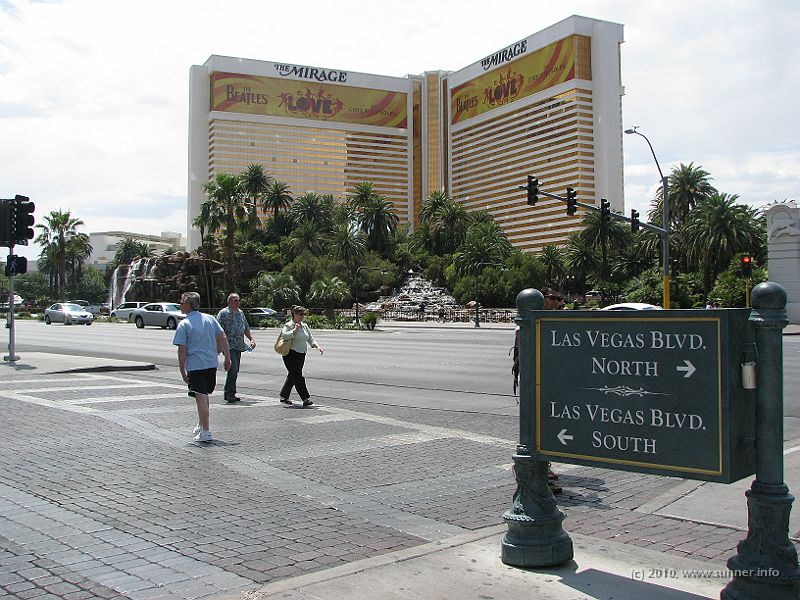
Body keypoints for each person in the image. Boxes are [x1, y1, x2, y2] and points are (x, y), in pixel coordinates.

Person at [173, 292, 231, 442]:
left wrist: (182, 370)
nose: (180, 304)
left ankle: (206, 431)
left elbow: (181, 351)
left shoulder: (184, 324)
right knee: (203, 396)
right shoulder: (210, 319)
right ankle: (201, 424)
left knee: (201, 397)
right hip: (211, 364)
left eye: (182, 302)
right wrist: (227, 357)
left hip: (196, 366)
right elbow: (222, 337)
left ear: (189, 305)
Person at [541, 286, 565, 493]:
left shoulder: (554, 321)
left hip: (552, 383)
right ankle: (538, 475)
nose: (560, 303)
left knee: (548, 427)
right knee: (541, 428)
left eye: (561, 299)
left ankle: (544, 468)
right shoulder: (534, 321)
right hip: (539, 386)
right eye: (555, 298)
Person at [278, 305, 323, 407]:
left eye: (304, 314)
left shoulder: (304, 326)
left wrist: (317, 346)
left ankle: (284, 396)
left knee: (292, 375)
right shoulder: (289, 325)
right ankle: (305, 398)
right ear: (294, 315)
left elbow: (310, 338)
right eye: (301, 314)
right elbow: (284, 335)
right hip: (290, 354)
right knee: (298, 376)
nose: (303, 316)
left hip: (301, 354)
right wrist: (294, 331)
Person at [217, 293, 256, 403]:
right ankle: (230, 393)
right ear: (229, 301)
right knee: (233, 368)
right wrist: (219, 345)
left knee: (235, 369)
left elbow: (245, 327)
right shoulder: (224, 313)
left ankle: (230, 392)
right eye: (235, 300)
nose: (238, 302)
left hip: (239, 345)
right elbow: (218, 330)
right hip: (228, 345)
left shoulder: (240, 313)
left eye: (238, 300)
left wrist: (251, 339)